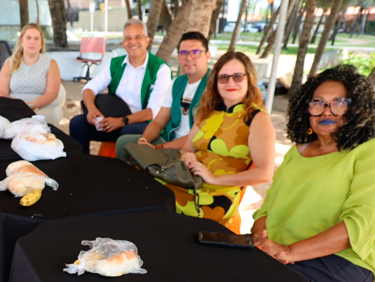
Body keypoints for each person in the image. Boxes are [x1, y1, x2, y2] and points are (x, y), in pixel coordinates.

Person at [253, 64, 375, 282]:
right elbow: (266, 210)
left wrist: (289, 251)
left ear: (356, 108)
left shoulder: (374, 151)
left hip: (341, 261)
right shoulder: (297, 152)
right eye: (318, 102)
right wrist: (262, 241)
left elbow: (357, 226)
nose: (326, 111)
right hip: (281, 253)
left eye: (339, 102)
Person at [158, 51, 275, 224]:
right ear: (216, 82)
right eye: (224, 78)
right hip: (188, 181)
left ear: (249, 79)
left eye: (237, 76)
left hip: (217, 196)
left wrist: (214, 179)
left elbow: (264, 174)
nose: (230, 83)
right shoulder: (206, 111)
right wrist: (187, 155)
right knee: (143, 189)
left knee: (155, 205)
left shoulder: (257, 118)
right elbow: (187, 148)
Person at [69, 18, 172, 153]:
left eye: (138, 37)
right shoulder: (115, 64)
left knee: (128, 131)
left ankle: (121, 167)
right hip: (113, 119)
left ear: (147, 41)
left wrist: (122, 121)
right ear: (123, 43)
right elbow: (89, 88)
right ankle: (80, 164)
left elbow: (152, 111)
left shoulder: (160, 69)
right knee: (77, 124)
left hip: (143, 124)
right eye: (128, 38)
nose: (132, 42)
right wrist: (92, 109)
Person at [115, 31, 211, 162]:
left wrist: (159, 148)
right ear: (178, 57)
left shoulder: (213, 86)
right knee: (124, 143)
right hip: (169, 139)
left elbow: (199, 134)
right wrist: (144, 141)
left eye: (195, 52)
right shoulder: (177, 83)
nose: (189, 58)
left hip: (194, 146)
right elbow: (159, 122)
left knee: (151, 157)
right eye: (183, 53)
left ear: (207, 56)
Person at [0, 23, 65, 126]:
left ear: (41, 43)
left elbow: (51, 93)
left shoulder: (51, 64)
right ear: (21, 40)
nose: (32, 42)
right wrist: (11, 106)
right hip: (13, 108)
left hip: (42, 108)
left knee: (34, 125)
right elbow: (1, 92)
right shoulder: (9, 63)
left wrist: (31, 105)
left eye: (36, 38)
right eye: (28, 38)